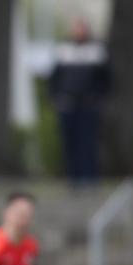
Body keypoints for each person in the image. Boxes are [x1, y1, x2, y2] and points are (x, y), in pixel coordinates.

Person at [49, 17, 110, 186]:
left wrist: (98, 99)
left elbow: (105, 80)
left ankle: (90, 180)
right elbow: (54, 78)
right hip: (68, 105)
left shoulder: (96, 50)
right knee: (70, 145)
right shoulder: (64, 49)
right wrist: (56, 98)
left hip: (88, 106)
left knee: (88, 145)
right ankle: (73, 180)